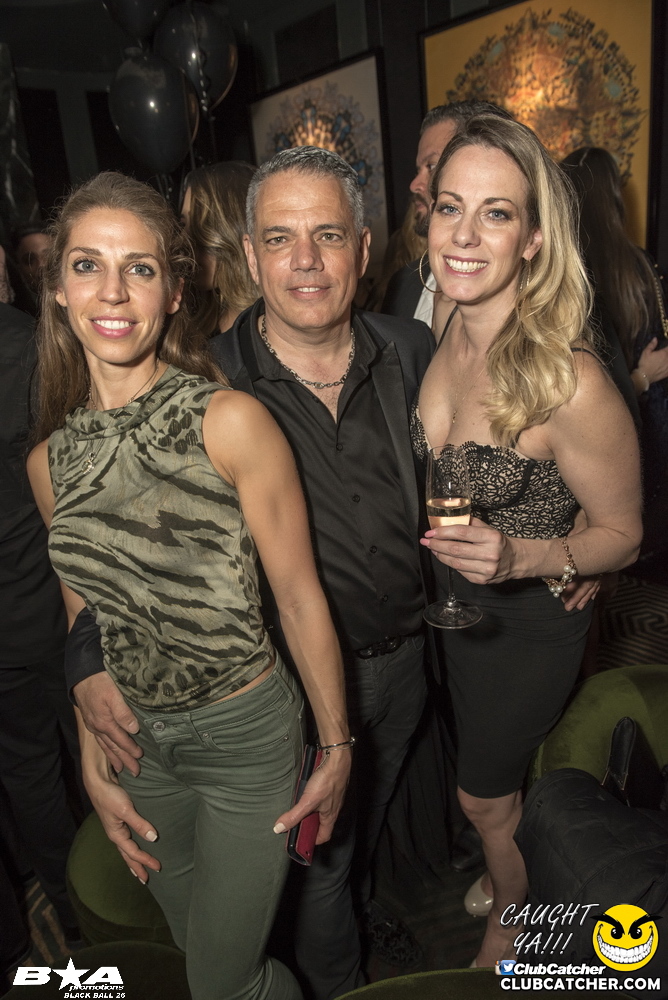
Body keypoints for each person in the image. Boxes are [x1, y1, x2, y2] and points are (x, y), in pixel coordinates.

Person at [61, 148, 435, 999]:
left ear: (363, 251)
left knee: (360, 828)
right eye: (279, 238)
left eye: (328, 236)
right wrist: (85, 674)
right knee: (314, 868)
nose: (305, 260)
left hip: (409, 660)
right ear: (251, 257)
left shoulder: (412, 348)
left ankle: (359, 916)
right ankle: (336, 978)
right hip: (282, 688)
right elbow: (109, 552)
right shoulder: (208, 383)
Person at [26, 171, 351, 1000]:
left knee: (220, 980)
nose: (112, 291)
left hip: (246, 739)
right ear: (58, 288)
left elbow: (300, 597)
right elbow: (86, 618)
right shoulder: (49, 461)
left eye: (138, 268)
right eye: (88, 265)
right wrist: (94, 760)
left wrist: (337, 745)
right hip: (140, 747)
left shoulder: (229, 421)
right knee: (195, 945)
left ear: (173, 293)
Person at [412, 115, 642, 967]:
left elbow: (627, 533)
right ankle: (508, 869)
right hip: (451, 611)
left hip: (527, 622)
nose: (465, 236)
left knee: (484, 798)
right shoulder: (445, 322)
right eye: (450, 208)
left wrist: (528, 556)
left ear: (535, 239)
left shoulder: (569, 378)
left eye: (497, 214)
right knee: (488, 783)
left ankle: (516, 924)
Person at [0, 297, 85, 946]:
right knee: (109, 756)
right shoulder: (30, 344)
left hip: (30, 615)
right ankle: (129, 900)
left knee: (29, 774)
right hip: (60, 606)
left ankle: (74, 914)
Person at [561, 147, 668, 577]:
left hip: (580, 437)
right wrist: (643, 376)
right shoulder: (638, 266)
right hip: (645, 423)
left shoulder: (564, 271)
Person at [382, 101, 513, 336]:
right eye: (419, 169)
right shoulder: (403, 285)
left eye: (432, 166)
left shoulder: (553, 332)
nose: (415, 184)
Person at [180, 161, 258, 335]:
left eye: (202, 224)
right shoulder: (199, 323)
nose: (184, 239)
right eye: (184, 224)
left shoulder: (279, 328)